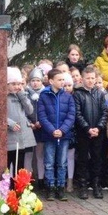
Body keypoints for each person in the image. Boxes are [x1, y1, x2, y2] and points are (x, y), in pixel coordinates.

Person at [37, 68, 75, 201]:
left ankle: (60, 187)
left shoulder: (68, 96)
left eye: (63, 79)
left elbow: (71, 115)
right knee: (49, 162)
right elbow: (42, 116)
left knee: (62, 162)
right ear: (51, 81)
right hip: (49, 135)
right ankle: (50, 188)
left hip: (64, 136)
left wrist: (62, 130)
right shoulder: (44, 96)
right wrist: (52, 130)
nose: (62, 82)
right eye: (59, 80)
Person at [72, 65, 108, 199]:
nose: (91, 81)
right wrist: (87, 128)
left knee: (97, 159)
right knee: (82, 159)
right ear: (82, 79)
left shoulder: (100, 93)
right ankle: (83, 186)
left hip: (98, 132)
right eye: (88, 78)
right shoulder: (78, 94)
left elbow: (105, 112)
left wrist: (98, 127)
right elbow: (77, 113)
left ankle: (96, 185)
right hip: (83, 132)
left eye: (93, 78)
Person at [6, 67, 36, 176]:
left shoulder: (20, 94)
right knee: (7, 167)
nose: (17, 86)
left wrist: (22, 95)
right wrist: (9, 123)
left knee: (20, 166)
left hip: (22, 137)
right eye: (13, 84)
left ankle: (18, 190)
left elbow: (30, 110)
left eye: (19, 83)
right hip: (10, 137)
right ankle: (6, 190)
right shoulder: (2, 96)